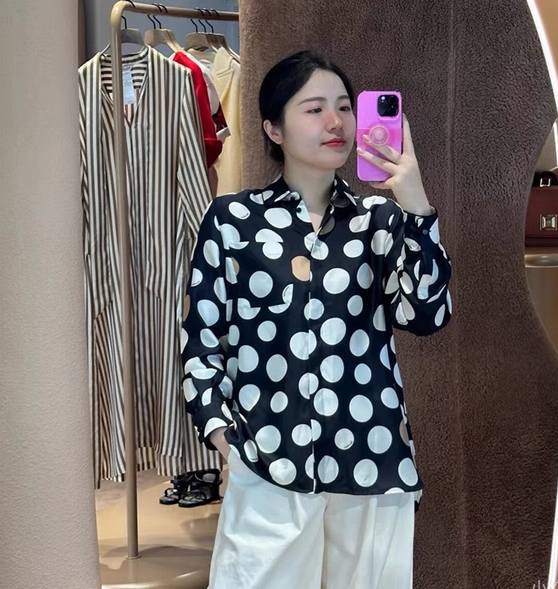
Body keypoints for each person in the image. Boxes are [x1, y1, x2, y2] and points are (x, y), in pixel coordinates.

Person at [180, 49, 453, 589]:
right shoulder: (233, 220)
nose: (336, 122)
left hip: (373, 464)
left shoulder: (380, 221)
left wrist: (416, 204)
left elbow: (427, 314)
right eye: (314, 108)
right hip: (267, 462)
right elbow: (202, 337)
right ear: (273, 129)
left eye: (345, 107)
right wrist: (222, 436)